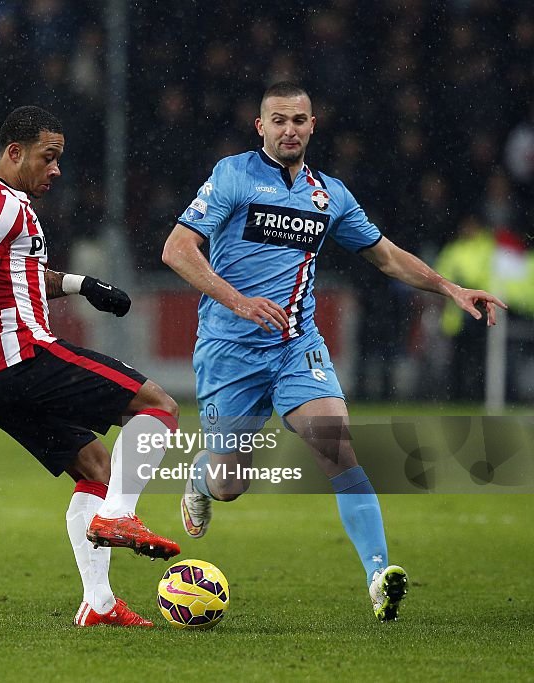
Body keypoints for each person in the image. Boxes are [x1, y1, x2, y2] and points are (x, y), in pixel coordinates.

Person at [162, 82, 507, 622]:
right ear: (261, 127)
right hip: (230, 350)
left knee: (337, 445)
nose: (289, 129)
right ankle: (201, 479)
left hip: (297, 346)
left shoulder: (330, 196)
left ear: (313, 125)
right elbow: (177, 249)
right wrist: (240, 302)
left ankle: (378, 574)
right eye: (278, 120)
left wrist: (451, 289)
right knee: (231, 483)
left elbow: (387, 257)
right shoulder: (232, 176)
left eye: (299, 120)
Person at [0, 106, 181, 628]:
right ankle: (119, 518)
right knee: (159, 407)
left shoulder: (1, 204)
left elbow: (21, 275)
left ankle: (98, 603)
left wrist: (83, 286)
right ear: (15, 153)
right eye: (48, 158)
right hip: (25, 355)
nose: (56, 170)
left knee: (95, 467)